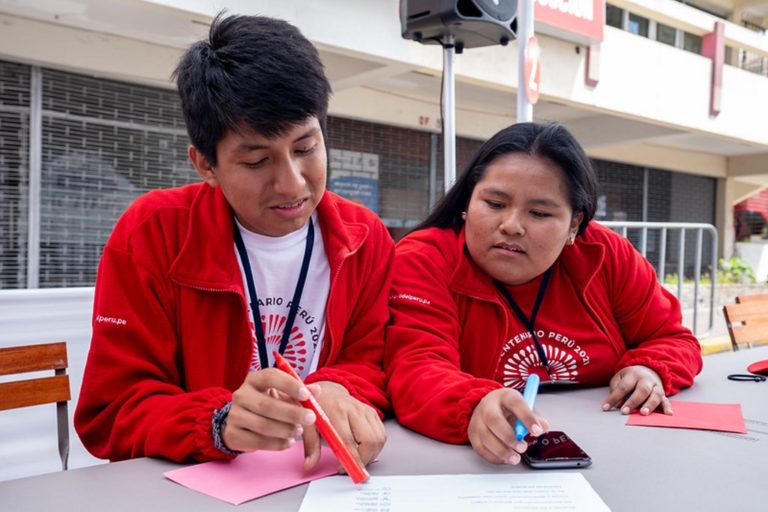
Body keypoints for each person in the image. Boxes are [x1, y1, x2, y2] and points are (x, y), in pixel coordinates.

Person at [75, 13, 392, 470]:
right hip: (195, 487)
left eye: (306, 148)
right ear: (205, 164)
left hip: (323, 479)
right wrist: (217, 422)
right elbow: (111, 411)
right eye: (257, 160)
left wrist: (340, 389)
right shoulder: (154, 233)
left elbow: (373, 361)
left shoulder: (363, 238)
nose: (291, 183)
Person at [385, 122, 702, 466]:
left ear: (574, 225)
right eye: (494, 203)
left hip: (623, 455)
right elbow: (416, 368)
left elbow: (672, 337)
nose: (511, 225)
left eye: (538, 213)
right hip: (480, 466)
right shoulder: (423, 260)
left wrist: (649, 370)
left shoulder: (606, 255)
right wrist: (474, 405)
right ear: (467, 202)